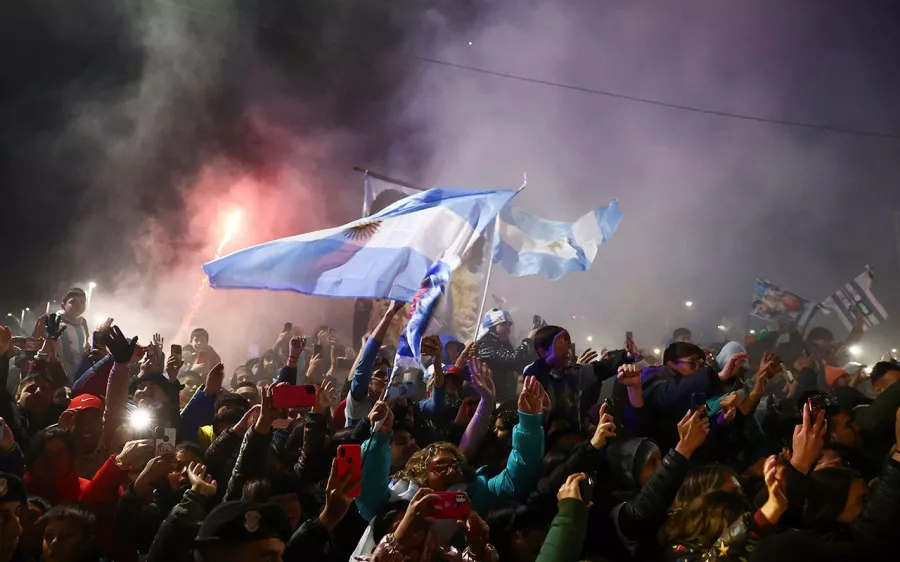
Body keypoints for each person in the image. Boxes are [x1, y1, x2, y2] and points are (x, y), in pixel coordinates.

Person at [477, 309, 536, 402]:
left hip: (506, 397)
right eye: (504, 324)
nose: (508, 328)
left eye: (509, 324)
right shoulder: (484, 345)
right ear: (492, 326)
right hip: (491, 400)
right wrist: (528, 340)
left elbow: (519, 365)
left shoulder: (504, 344)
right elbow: (513, 359)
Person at [51, 289, 90, 382]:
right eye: (73, 302)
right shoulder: (54, 323)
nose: (79, 306)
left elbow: (85, 346)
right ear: (63, 305)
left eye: (82, 302)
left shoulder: (83, 323)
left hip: (79, 376)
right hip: (58, 378)